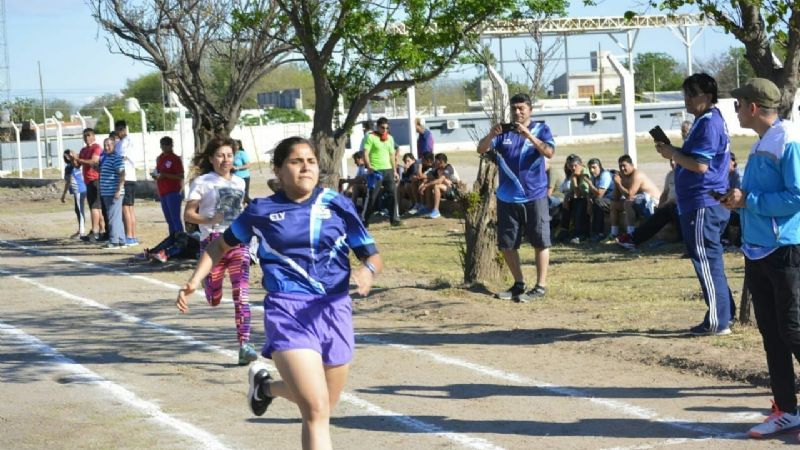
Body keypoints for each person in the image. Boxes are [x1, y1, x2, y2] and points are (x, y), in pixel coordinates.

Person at [176, 136, 382, 450]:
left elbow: (371, 254)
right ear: (279, 170)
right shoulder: (261, 210)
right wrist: (194, 281)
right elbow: (220, 245)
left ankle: (265, 388)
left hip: (335, 310)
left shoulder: (338, 204)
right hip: (288, 310)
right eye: (296, 161)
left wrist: (367, 271)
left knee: (325, 404)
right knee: (314, 408)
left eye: (311, 161)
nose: (305, 167)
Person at [719, 78, 800, 438]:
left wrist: (747, 201)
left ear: (753, 107)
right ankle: (786, 410)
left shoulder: (788, 140)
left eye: (738, 104)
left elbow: (796, 197)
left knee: (793, 330)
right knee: (772, 334)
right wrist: (737, 198)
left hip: (786, 249)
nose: (735, 110)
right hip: (757, 249)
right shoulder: (761, 142)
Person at [655, 73, 735, 336]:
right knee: (711, 259)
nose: (687, 100)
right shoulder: (706, 121)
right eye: (685, 94)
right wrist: (675, 151)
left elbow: (700, 165)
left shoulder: (708, 123)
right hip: (705, 200)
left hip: (703, 201)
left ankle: (717, 321)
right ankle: (724, 314)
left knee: (706, 260)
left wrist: (673, 154)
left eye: (692, 94)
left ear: (708, 95)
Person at [183, 137, 257, 365]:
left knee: (242, 295)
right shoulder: (202, 182)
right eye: (220, 155)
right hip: (212, 243)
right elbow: (188, 215)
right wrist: (208, 218)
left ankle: (245, 344)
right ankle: (209, 287)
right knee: (214, 299)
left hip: (236, 242)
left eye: (229, 155)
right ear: (211, 159)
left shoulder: (239, 182)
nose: (226, 160)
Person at [477, 92, 555, 302]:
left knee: (540, 242)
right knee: (507, 245)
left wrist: (528, 135)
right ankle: (519, 284)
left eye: (522, 108)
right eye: (514, 109)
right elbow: (480, 149)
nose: (517, 112)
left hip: (534, 195)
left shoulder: (541, 129)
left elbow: (549, 153)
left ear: (530, 109)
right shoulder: (503, 132)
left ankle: (540, 286)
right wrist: (491, 135)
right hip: (507, 198)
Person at [619, 159, 683, 249]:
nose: (672, 162)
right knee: (657, 216)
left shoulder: (686, 174)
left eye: (675, 160)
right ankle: (633, 239)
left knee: (674, 209)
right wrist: (660, 206)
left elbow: (629, 195)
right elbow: (665, 193)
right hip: (669, 205)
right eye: (670, 160)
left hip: (681, 206)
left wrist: (618, 183)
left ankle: (683, 241)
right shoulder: (670, 175)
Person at [611, 155, 661, 245]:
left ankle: (631, 234)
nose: (622, 169)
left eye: (624, 166)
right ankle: (614, 233)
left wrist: (619, 184)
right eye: (620, 166)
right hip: (638, 201)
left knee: (628, 203)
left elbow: (629, 195)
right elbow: (615, 198)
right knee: (614, 205)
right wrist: (616, 182)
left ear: (632, 165)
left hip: (652, 201)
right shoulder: (623, 176)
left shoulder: (637, 175)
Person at [363, 116, 401, 227]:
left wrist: (395, 170)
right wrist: (369, 166)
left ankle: (394, 219)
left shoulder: (390, 138)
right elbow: (365, 153)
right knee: (372, 196)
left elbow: (392, 155)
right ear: (377, 126)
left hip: (388, 170)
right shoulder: (371, 137)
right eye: (382, 127)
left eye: (386, 128)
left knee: (392, 194)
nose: (384, 130)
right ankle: (365, 220)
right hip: (376, 170)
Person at [151, 136, 185, 242]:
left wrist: (165, 175)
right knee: (169, 219)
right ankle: (173, 239)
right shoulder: (160, 158)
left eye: (167, 144)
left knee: (175, 218)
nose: (165, 147)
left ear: (171, 145)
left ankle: (181, 241)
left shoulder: (175, 159)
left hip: (173, 192)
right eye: (163, 144)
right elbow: (158, 172)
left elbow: (181, 176)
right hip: (163, 192)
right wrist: (155, 175)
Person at [75, 128, 106, 242]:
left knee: (95, 207)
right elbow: (77, 165)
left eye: (88, 135)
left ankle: (95, 231)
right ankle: (102, 231)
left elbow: (94, 161)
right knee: (96, 207)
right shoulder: (83, 150)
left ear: (93, 136)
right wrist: (73, 158)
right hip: (88, 181)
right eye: (85, 136)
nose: (87, 138)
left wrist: (79, 159)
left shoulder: (96, 147)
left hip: (96, 179)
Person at [98, 131, 126, 249]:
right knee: (116, 217)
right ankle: (121, 240)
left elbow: (122, 174)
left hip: (113, 193)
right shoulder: (106, 158)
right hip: (107, 192)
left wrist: (118, 190)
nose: (106, 147)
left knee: (112, 217)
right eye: (105, 145)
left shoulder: (116, 158)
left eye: (109, 145)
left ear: (114, 146)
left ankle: (114, 241)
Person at [114, 120, 139, 246]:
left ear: (125, 129)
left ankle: (129, 235)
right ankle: (132, 236)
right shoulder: (120, 143)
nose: (120, 132)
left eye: (121, 129)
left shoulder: (127, 141)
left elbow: (121, 157)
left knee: (126, 209)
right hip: (127, 177)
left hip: (127, 177)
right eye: (118, 129)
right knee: (129, 208)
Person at [417, 153, 460, 219]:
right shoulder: (437, 169)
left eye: (436, 161)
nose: (434, 162)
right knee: (430, 186)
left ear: (441, 162)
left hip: (454, 191)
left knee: (436, 186)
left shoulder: (449, 168)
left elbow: (440, 180)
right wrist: (423, 185)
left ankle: (436, 211)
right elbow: (423, 177)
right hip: (446, 189)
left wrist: (426, 185)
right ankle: (428, 207)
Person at [60, 150, 87, 239]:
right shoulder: (70, 166)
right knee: (77, 209)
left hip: (79, 189)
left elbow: (68, 182)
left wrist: (63, 194)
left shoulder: (74, 165)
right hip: (79, 190)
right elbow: (68, 181)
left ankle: (82, 232)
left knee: (80, 210)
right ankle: (80, 229)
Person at [565, 155, 591, 243]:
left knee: (580, 203)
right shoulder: (575, 174)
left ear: (581, 164)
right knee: (567, 204)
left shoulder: (585, 173)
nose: (573, 168)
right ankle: (565, 231)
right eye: (570, 166)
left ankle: (580, 235)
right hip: (584, 197)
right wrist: (566, 198)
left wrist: (575, 181)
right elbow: (572, 192)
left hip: (591, 198)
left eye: (575, 165)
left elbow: (581, 194)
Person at [586, 158, 614, 242]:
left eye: (594, 167)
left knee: (598, 202)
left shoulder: (605, 175)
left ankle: (599, 233)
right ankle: (584, 232)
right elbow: (590, 194)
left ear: (600, 167)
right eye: (590, 168)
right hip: (603, 200)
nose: (591, 170)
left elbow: (599, 194)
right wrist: (589, 201)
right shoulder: (594, 177)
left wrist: (590, 185)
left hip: (613, 200)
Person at [721, 151, 743, 249]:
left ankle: (736, 243)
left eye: (727, 161)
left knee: (730, 214)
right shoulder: (725, 175)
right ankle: (723, 240)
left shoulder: (738, 176)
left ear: (733, 162)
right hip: (730, 204)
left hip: (740, 205)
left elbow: (739, 195)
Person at [233, 139, 253, 204]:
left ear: (239, 146)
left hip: (244, 177)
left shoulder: (242, 153)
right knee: (237, 196)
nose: (234, 146)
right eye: (232, 145)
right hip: (234, 178)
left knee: (245, 197)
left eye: (235, 145)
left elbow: (248, 164)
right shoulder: (231, 154)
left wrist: (238, 167)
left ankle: (255, 206)